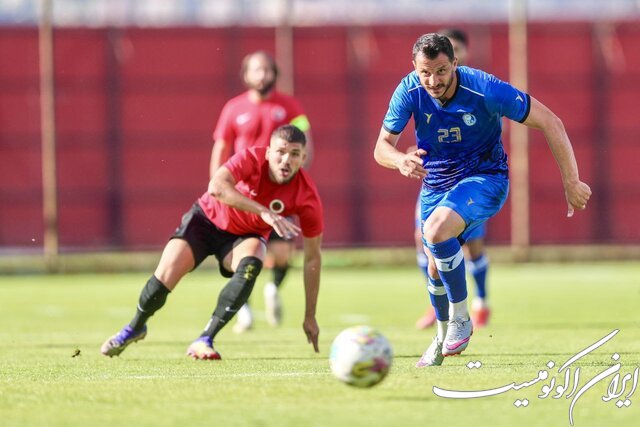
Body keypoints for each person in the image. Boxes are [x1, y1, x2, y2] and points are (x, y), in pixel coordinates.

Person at [374, 33, 591, 367]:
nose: (433, 81)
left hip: (486, 179)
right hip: (436, 185)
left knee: (435, 231)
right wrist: (400, 160)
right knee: (434, 266)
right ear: (415, 69)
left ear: (455, 64)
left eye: (441, 71)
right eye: (425, 73)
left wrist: (571, 181)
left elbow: (551, 121)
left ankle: (463, 317)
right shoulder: (409, 90)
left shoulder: (485, 89)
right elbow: (381, 148)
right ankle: (440, 338)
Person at [101, 125, 323, 360]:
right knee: (165, 276)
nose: (286, 160)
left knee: (253, 260)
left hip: (244, 237)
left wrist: (310, 315)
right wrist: (263, 212)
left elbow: (312, 258)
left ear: (303, 159)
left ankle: (204, 339)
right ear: (268, 152)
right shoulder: (251, 158)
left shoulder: (307, 196)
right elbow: (216, 187)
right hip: (206, 220)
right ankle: (135, 327)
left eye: (294, 154)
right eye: (280, 152)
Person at [210, 51, 314, 333]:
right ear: (246, 75)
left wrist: (297, 175)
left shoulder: (290, 106)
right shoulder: (233, 108)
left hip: (278, 193)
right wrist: (217, 185)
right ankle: (243, 309)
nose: (262, 74)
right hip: (243, 195)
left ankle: (273, 288)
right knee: (239, 254)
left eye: (267, 69)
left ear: (275, 74)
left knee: (282, 253)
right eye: (256, 69)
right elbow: (221, 146)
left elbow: (306, 139)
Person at [414, 28, 492, 330]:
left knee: (472, 245)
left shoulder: (478, 90)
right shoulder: (421, 91)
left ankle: (480, 301)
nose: (434, 77)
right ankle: (438, 305)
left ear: (458, 58)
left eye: (456, 50)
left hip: (469, 182)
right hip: (434, 179)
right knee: (424, 240)